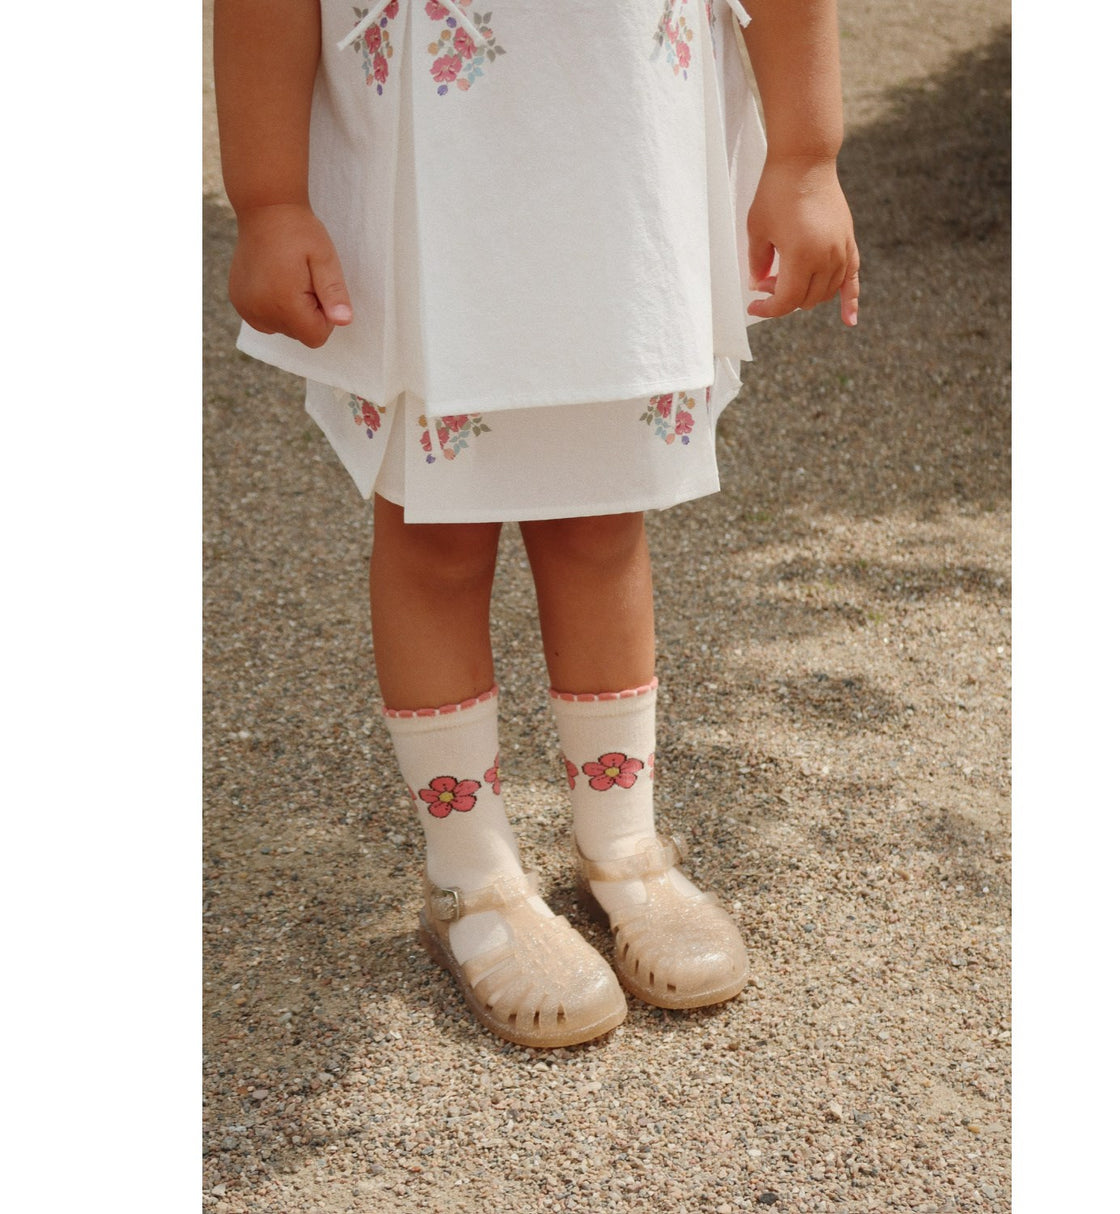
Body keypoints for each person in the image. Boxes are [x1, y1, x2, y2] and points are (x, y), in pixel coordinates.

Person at [214, 0, 859, 1049]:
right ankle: (469, 873)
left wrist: (806, 157)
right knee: (435, 534)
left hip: (621, 161)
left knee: (601, 518)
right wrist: (270, 198)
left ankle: (624, 845)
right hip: (431, 171)